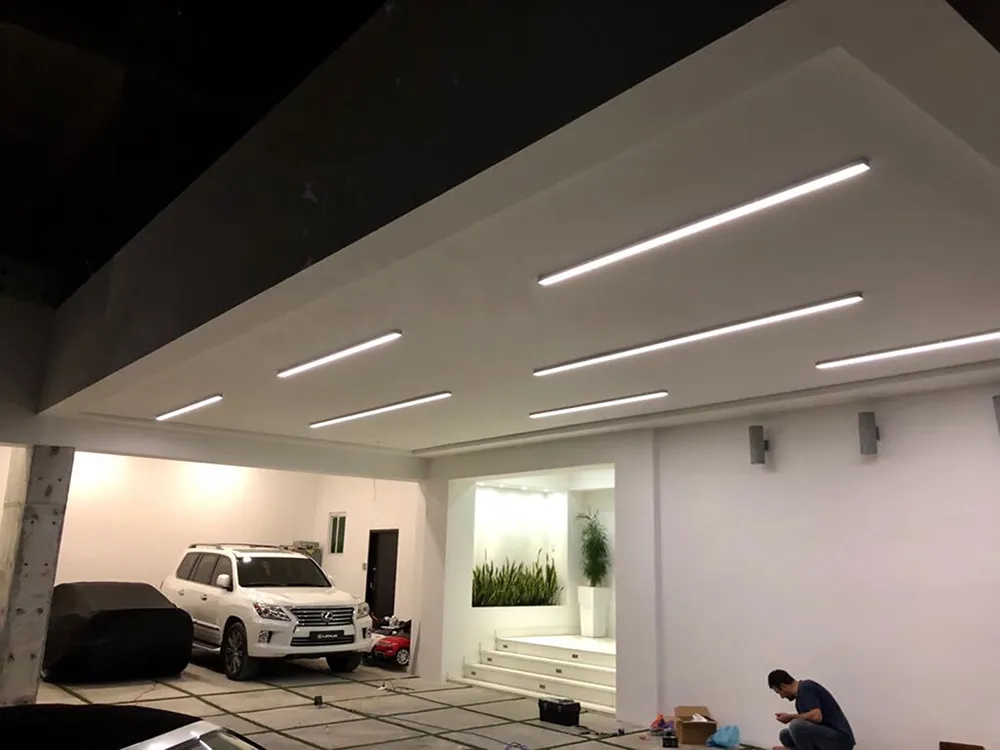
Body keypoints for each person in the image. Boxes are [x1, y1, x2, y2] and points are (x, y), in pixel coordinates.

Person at [767, 669, 855, 750]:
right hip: (826, 738)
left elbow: (817, 717)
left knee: (796, 725)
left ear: (782, 686)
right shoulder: (799, 701)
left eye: (779, 692)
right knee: (785, 735)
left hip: (841, 740)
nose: (782, 697)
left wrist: (790, 717)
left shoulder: (806, 687)